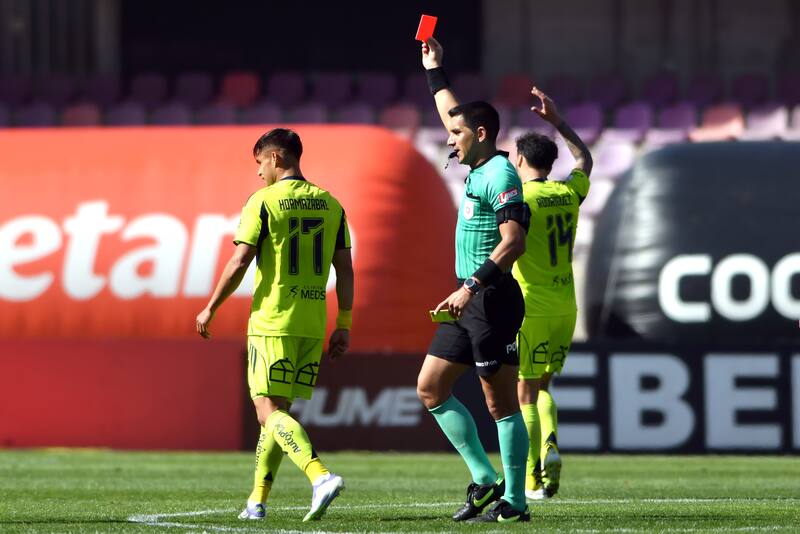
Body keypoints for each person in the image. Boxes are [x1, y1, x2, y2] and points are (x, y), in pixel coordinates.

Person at [195, 128, 354, 522]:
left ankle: (320, 476)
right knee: (278, 412)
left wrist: (211, 307)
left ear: (276, 158)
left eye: (259, 163)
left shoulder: (263, 202)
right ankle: (256, 501)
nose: (258, 172)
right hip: (312, 323)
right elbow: (345, 269)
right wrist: (344, 322)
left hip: (273, 320)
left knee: (268, 412)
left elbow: (240, 260)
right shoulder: (331, 204)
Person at [415, 37, 532, 523]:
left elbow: (513, 243)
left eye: (457, 134)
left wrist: (470, 288)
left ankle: (516, 502)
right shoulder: (478, 162)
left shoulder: (500, 175)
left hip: (491, 297)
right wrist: (434, 69)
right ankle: (485, 480)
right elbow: (450, 111)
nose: (449, 139)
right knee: (430, 388)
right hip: (468, 296)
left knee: (499, 403)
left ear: (480, 134)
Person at [512, 87, 593, 500]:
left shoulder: (521, 200)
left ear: (520, 160)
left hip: (532, 307)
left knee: (524, 393)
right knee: (543, 388)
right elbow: (585, 160)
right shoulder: (567, 194)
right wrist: (558, 121)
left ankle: (532, 477)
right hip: (566, 307)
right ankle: (551, 448)